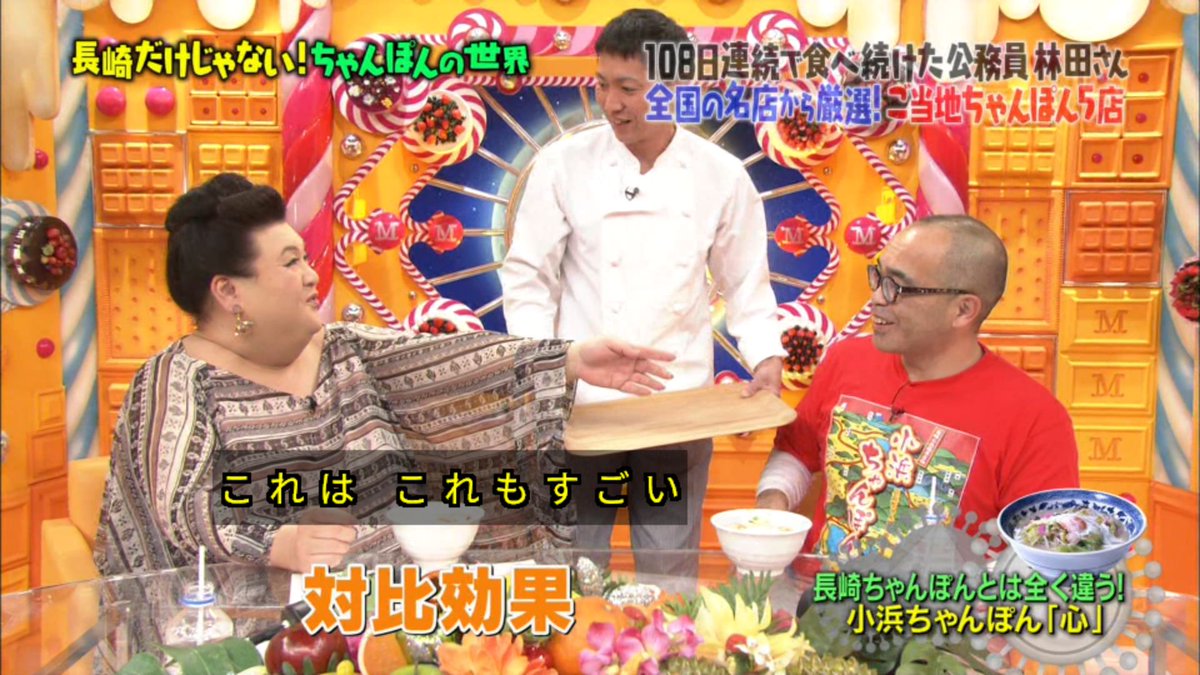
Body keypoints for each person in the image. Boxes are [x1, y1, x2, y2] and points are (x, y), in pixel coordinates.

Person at [93, 173, 679, 576]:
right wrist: (279, 544)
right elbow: (183, 506)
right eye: (291, 263)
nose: (310, 276)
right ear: (229, 293)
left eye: (305, 258)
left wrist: (570, 359)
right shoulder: (175, 380)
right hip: (254, 628)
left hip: (391, 608)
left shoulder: (342, 348)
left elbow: (451, 365)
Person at [498, 8, 785, 581]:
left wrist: (767, 358)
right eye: (602, 85)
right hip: (583, 408)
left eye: (629, 88)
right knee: (575, 563)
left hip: (677, 407)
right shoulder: (562, 165)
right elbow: (529, 276)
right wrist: (545, 366)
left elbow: (746, 283)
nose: (611, 103)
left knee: (669, 565)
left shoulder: (722, 175)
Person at [756, 215, 1080, 559]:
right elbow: (797, 453)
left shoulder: (1036, 420)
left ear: (963, 310)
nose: (876, 298)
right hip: (823, 590)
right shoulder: (844, 359)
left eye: (898, 287)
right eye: (878, 277)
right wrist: (770, 509)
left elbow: (1047, 556)